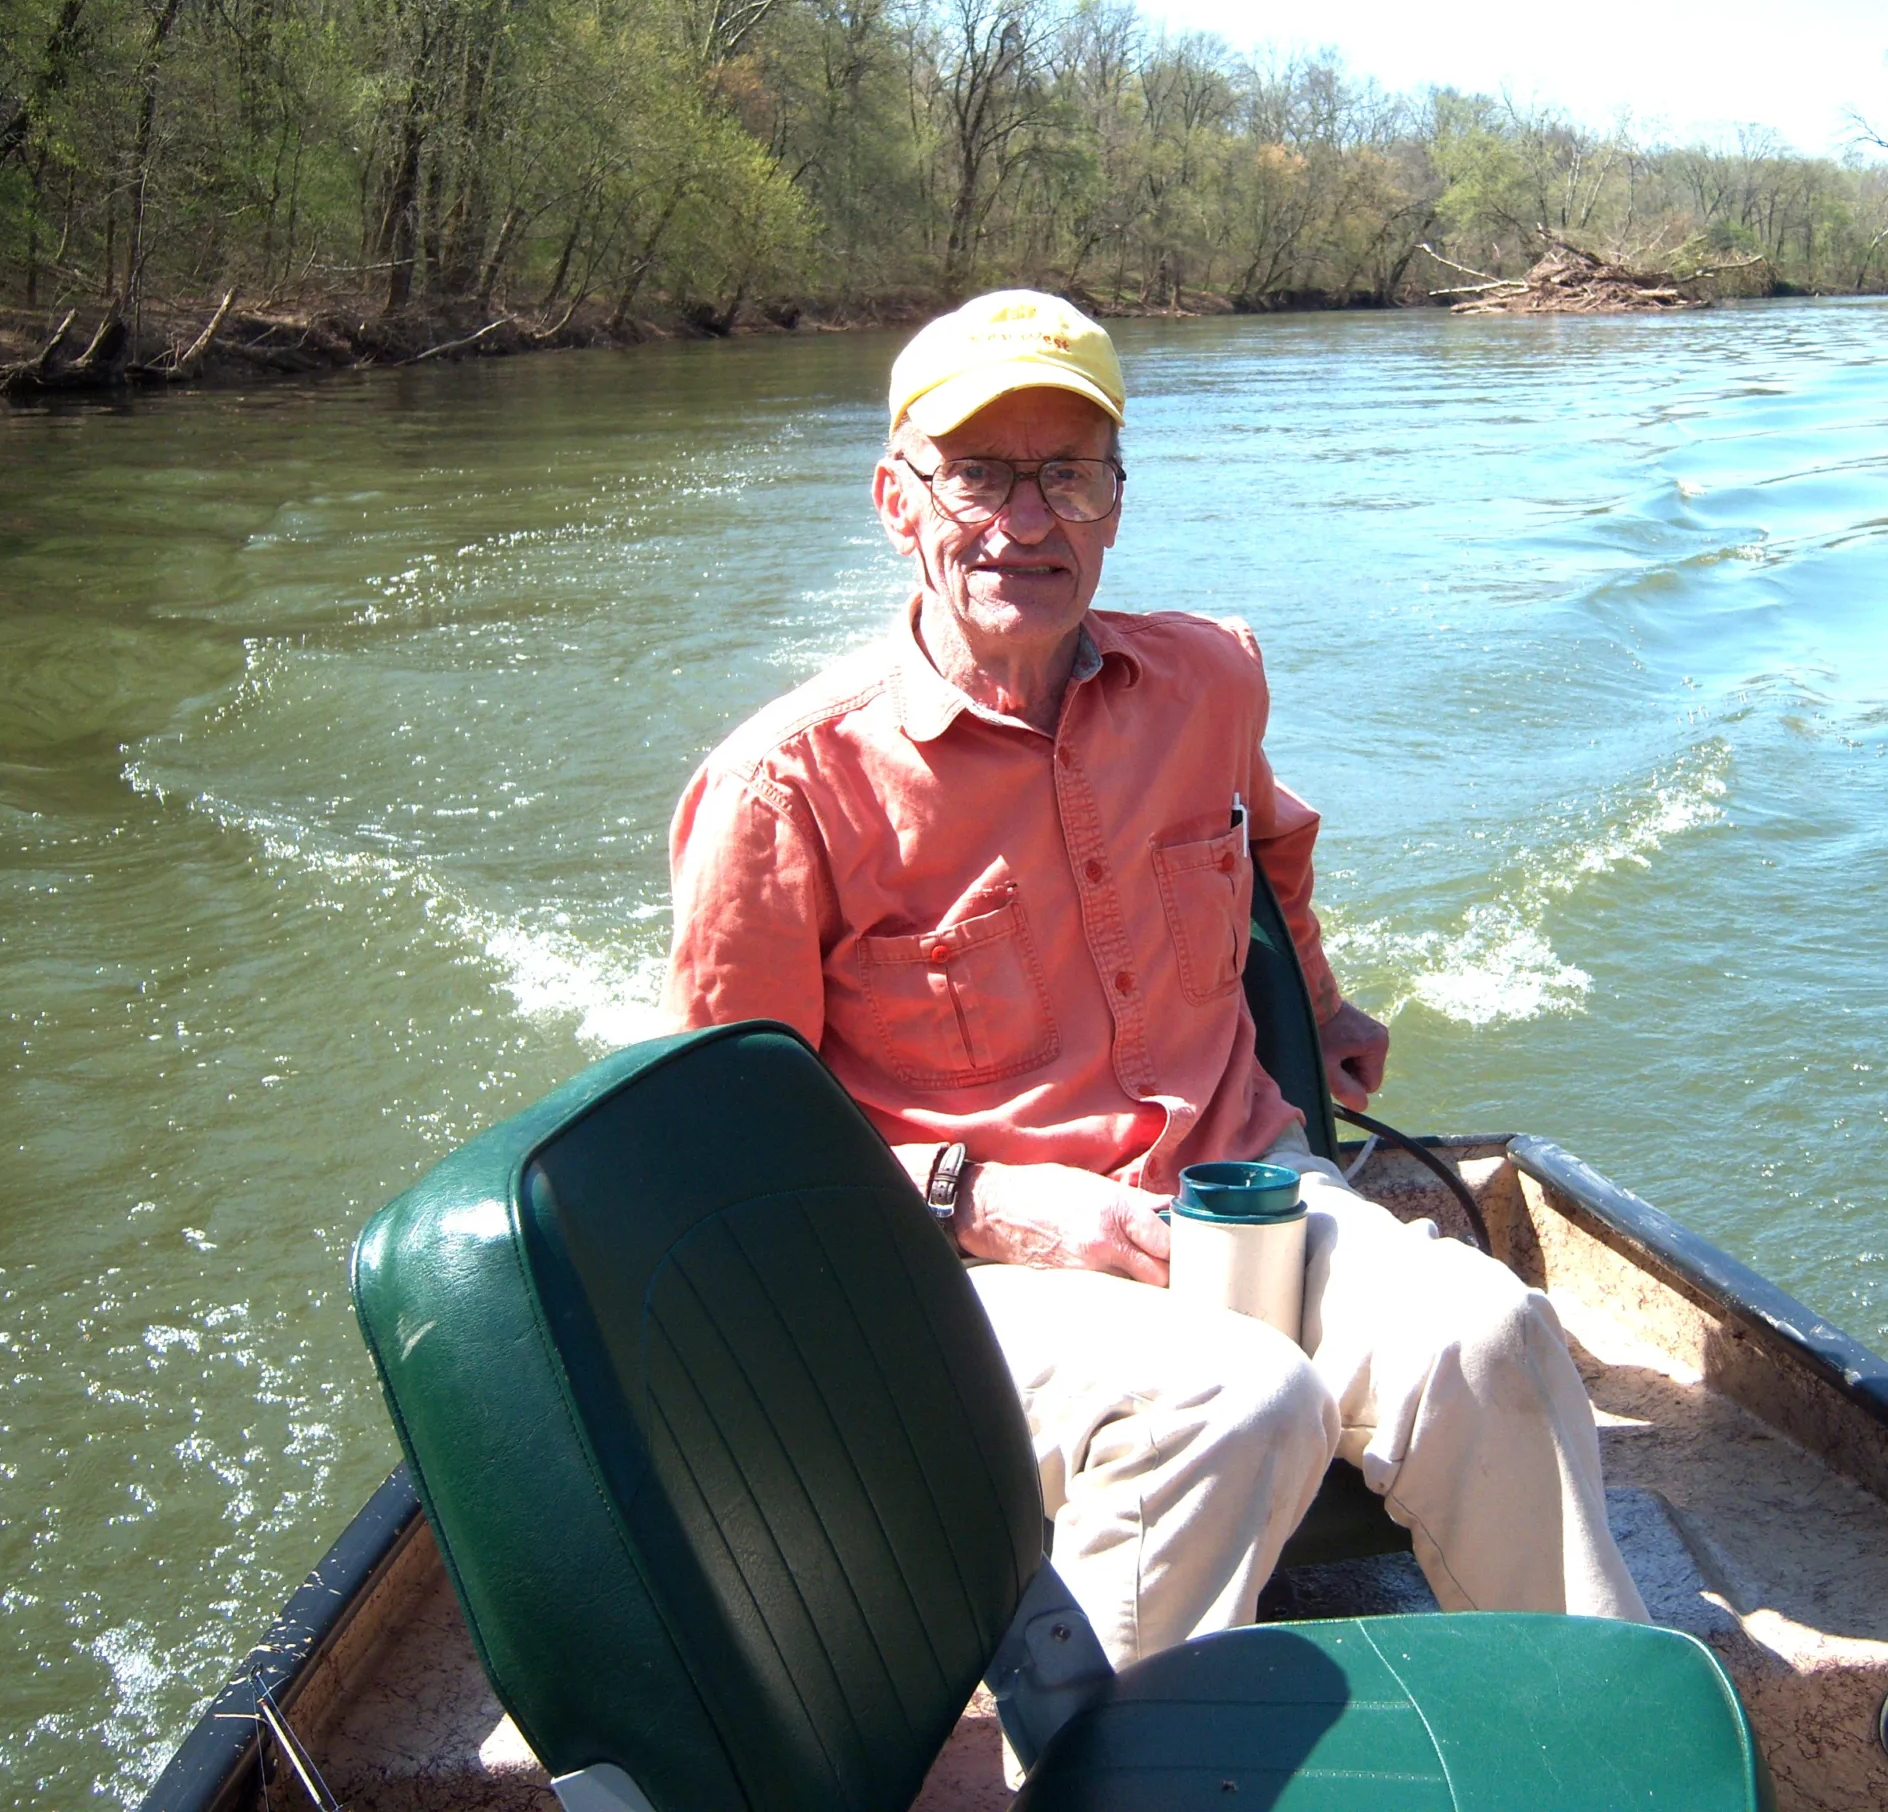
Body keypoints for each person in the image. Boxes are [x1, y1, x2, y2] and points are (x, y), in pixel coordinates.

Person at [663, 289, 1646, 1678]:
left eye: (1067, 474)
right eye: (980, 475)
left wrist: (1318, 997)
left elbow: (1262, 854)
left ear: (1115, 504)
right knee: (1233, 1404)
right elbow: (722, 1161)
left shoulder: (1209, 680)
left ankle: (1600, 1745)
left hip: (1244, 1189)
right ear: (897, 501)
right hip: (962, 1270)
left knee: (1486, 1336)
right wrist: (984, 1196)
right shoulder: (782, 786)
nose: (1026, 518)